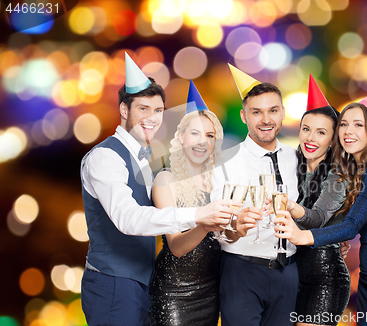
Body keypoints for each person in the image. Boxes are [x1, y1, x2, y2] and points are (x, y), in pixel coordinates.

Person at [80, 54, 238, 326]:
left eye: (158, 110)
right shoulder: (106, 157)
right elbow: (127, 219)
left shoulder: (145, 158)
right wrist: (198, 215)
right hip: (114, 283)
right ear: (124, 110)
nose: (152, 118)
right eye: (143, 109)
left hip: (143, 283)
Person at [275, 79, 367, 326]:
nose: (348, 131)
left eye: (358, 125)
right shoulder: (357, 170)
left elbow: (351, 227)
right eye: (344, 124)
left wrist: (302, 237)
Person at [210, 64, 299, 326]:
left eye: (273, 110)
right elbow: (216, 222)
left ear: (282, 113)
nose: (266, 119)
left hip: (289, 272)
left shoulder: (299, 160)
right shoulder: (224, 162)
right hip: (241, 270)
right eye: (256, 112)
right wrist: (235, 225)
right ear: (243, 116)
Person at [149, 81, 224, 326]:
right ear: (181, 137)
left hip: (211, 293)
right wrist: (205, 224)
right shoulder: (165, 180)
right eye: (195, 133)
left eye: (209, 135)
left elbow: (228, 239)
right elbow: (177, 247)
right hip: (174, 294)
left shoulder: (219, 184)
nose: (202, 142)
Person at [290, 75, 350, 326]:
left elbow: (316, 219)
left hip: (324, 277)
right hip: (289, 274)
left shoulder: (338, 175)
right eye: (306, 129)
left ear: (333, 139)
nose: (310, 138)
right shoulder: (290, 163)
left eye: (321, 132)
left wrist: (284, 206)